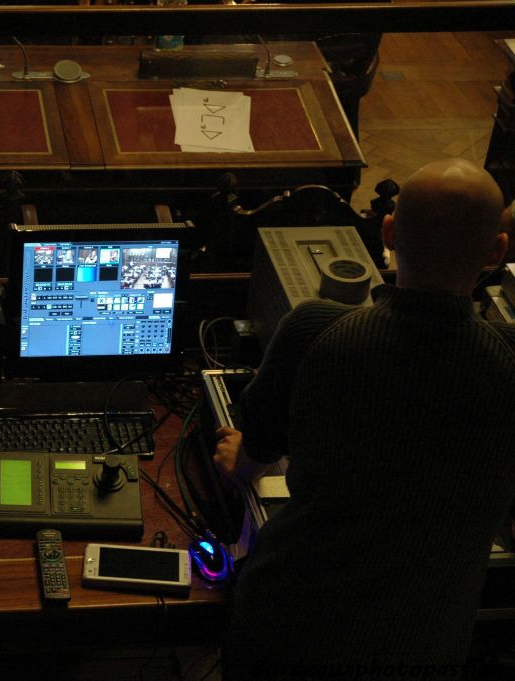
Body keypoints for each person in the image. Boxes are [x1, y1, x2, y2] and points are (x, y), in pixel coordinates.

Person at [214, 158, 515, 680]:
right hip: (424, 646)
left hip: (286, 632)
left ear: (389, 231)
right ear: (496, 253)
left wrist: (236, 456)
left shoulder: (312, 329)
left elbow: (251, 457)